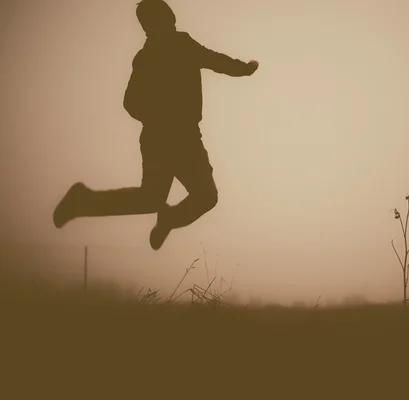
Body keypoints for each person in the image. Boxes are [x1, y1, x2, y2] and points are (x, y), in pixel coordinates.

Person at [53, 0, 259, 250]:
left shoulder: (149, 55)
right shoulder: (176, 47)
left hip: (169, 139)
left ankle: (86, 201)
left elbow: (131, 103)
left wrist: (242, 70)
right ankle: (94, 202)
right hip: (175, 140)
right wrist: (244, 70)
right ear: (163, 21)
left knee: (158, 198)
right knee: (200, 196)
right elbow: (216, 61)